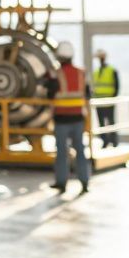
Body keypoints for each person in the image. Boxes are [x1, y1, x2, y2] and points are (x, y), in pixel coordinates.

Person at [47, 41, 90, 193]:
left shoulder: (56, 74)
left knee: (62, 153)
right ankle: (85, 182)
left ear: (59, 57)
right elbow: (87, 94)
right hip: (78, 118)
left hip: (61, 119)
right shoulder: (81, 72)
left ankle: (61, 183)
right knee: (80, 151)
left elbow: (50, 94)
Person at [93, 49, 119, 148]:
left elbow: (117, 86)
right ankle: (105, 141)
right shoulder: (96, 72)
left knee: (111, 122)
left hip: (109, 101)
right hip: (98, 102)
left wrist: (113, 99)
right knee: (101, 123)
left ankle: (114, 141)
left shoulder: (112, 70)